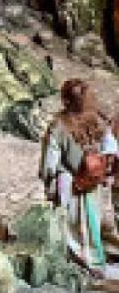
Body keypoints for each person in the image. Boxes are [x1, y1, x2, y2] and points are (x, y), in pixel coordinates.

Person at [41, 78, 117, 273]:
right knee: (92, 218)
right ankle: (94, 258)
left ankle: (80, 257)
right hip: (93, 179)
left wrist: (48, 176)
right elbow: (110, 144)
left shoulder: (58, 126)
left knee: (71, 222)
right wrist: (105, 164)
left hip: (69, 180)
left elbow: (51, 158)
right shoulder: (97, 119)